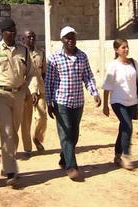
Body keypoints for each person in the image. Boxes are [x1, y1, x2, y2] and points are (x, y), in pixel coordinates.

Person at [0, 18, 38, 186]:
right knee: (7, 132)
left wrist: (32, 90)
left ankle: (6, 164)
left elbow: (32, 73)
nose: (12, 33)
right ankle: (11, 170)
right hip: (0, 95)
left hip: (18, 95)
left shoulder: (23, 51)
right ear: (2, 33)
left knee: (14, 132)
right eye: (9, 30)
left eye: (14, 29)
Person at [45, 26, 101, 181]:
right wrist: (49, 102)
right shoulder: (54, 58)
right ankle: (72, 167)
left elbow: (88, 76)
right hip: (61, 101)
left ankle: (64, 158)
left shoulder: (82, 56)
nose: (70, 40)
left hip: (78, 102)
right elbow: (48, 82)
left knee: (74, 134)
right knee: (65, 133)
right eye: (67, 38)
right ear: (62, 40)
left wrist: (94, 93)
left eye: (72, 37)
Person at [102, 38, 138, 170]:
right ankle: (126, 156)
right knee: (127, 126)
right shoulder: (113, 65)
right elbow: (107, 86)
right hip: (118, 101)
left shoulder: (133, 63)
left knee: (123, 128)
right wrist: (105, 105)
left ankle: (117, 156)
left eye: (127, 47)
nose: (126, 49)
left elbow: (137, 82)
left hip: (132, 101)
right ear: (116, 50)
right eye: (123, 47)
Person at [20, 30, 47, 158]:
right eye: (29, 37)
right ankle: (27, 148)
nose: (31, 39)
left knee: (42, 116)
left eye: (33, 37)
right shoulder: (19, 54)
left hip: (40, 89)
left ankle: (36, 137)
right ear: (23, 39)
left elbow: (44, 72)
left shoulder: (41, 52)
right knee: (26, 121)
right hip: (26, 91)